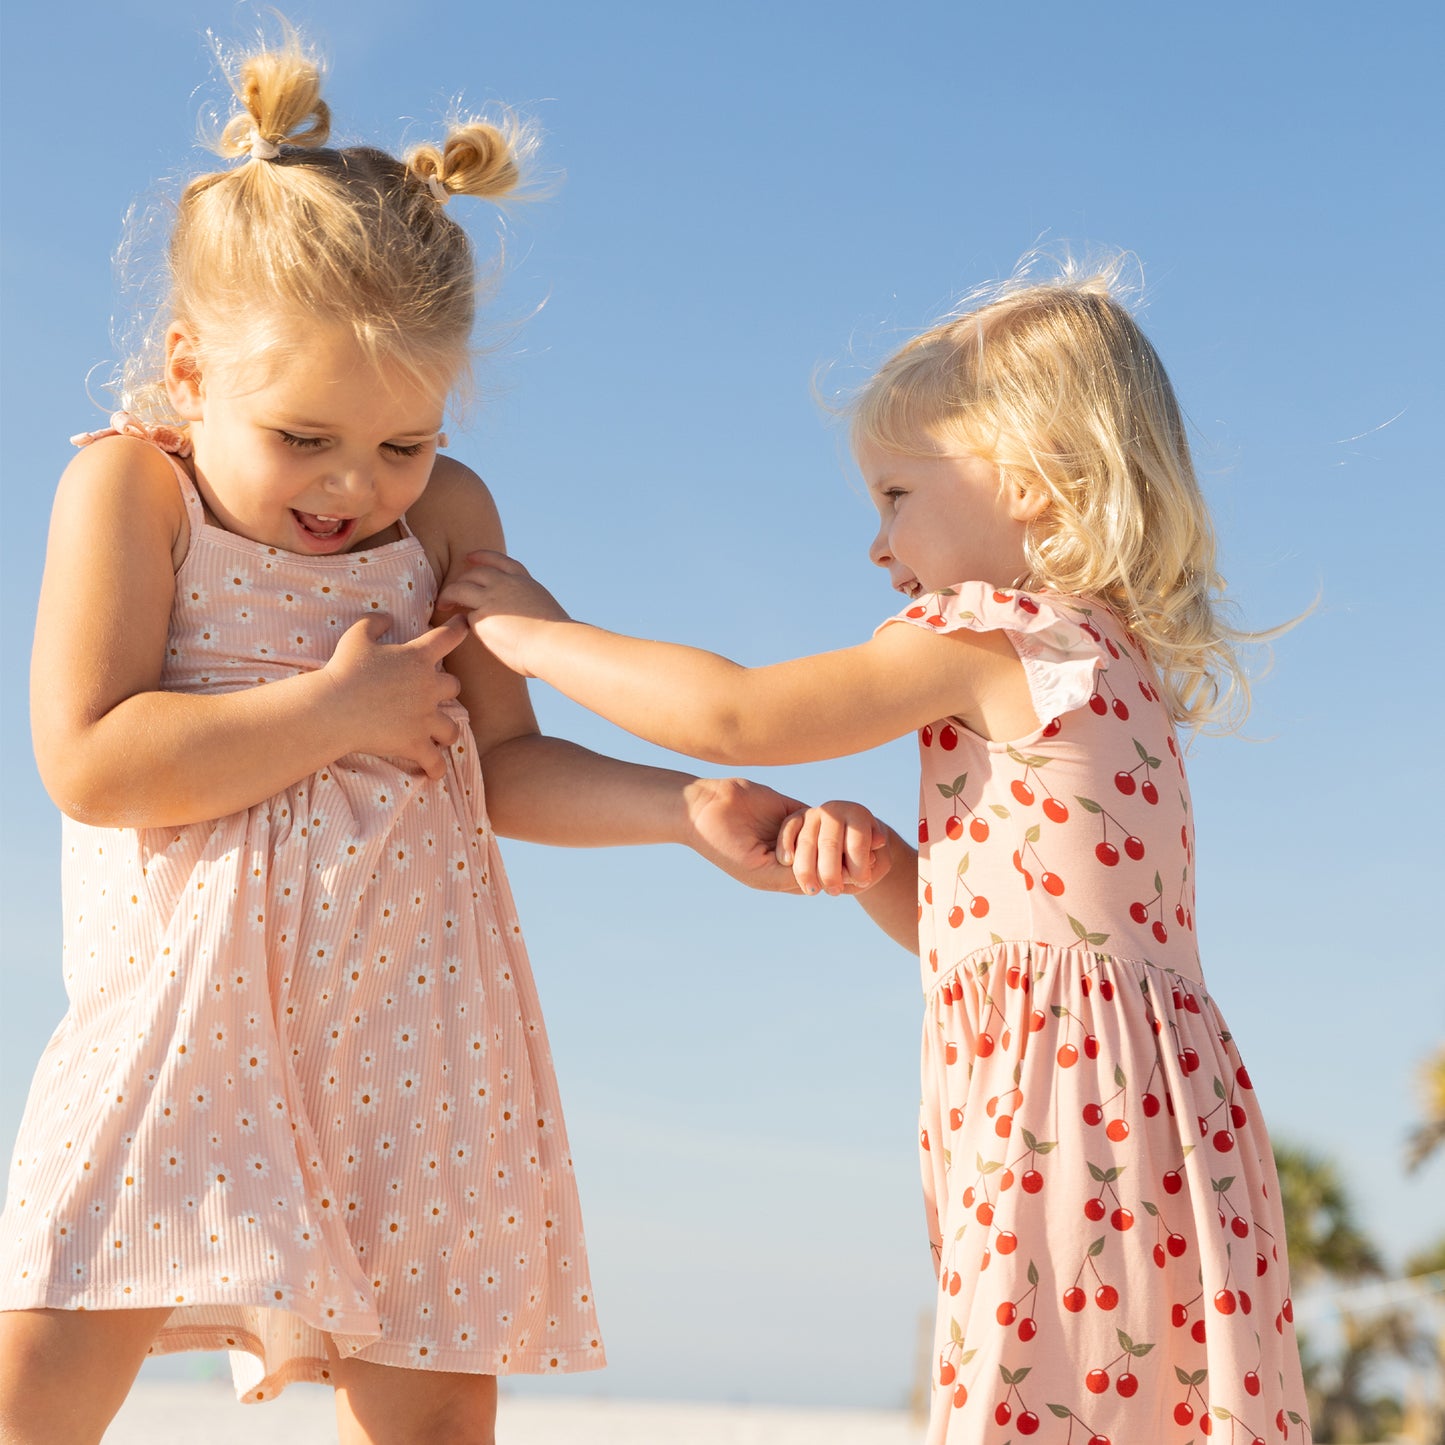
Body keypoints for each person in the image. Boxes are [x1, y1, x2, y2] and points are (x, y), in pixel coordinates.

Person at [0, 27, 866, 1445]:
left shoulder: (448, 519)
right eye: (304, 438)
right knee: (44, 1368)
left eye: (401, 444)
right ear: (187, 369)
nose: (354, 485)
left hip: (415, 1024)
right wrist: (334, 711)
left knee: (436, 1412)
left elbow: (502, 766)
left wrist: (680, 807)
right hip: (181, 1018)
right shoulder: (130, 492)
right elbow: (90, 758)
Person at [440, 263, 1314, 1444]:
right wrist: (890, 871)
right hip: (1155, 1120)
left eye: (895, 493)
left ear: (1037, 485)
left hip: (1061, 1111)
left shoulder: (996, 635)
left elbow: (737, 716)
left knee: (1032, 1401)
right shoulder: (1109, 672)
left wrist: (542, 635)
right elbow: (1009, 929)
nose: (874, 543)